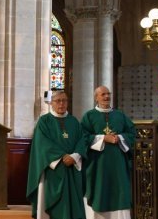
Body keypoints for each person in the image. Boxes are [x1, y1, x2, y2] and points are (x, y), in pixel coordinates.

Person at [26, 91, 86, 219]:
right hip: (53, 169)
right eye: (58, 101)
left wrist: (74, 156)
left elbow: (82, 140)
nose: (62, 104)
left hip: (72, 168)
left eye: (64, 100)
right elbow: (42, 143)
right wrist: (63, 156)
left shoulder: (74, 121)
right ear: (51, 103)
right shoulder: (44, 121)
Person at [81, 86, 135, 219]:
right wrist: (103, 138)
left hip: (118, 163)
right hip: (97, 163)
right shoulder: (89, 116)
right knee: (99, 189)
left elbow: (132, 134)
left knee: (120, 190)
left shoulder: (120, 115)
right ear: (96, 98)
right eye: (103, 94)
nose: (106, 97)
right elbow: (83, 136)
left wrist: (120, 138)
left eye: (108, 94)